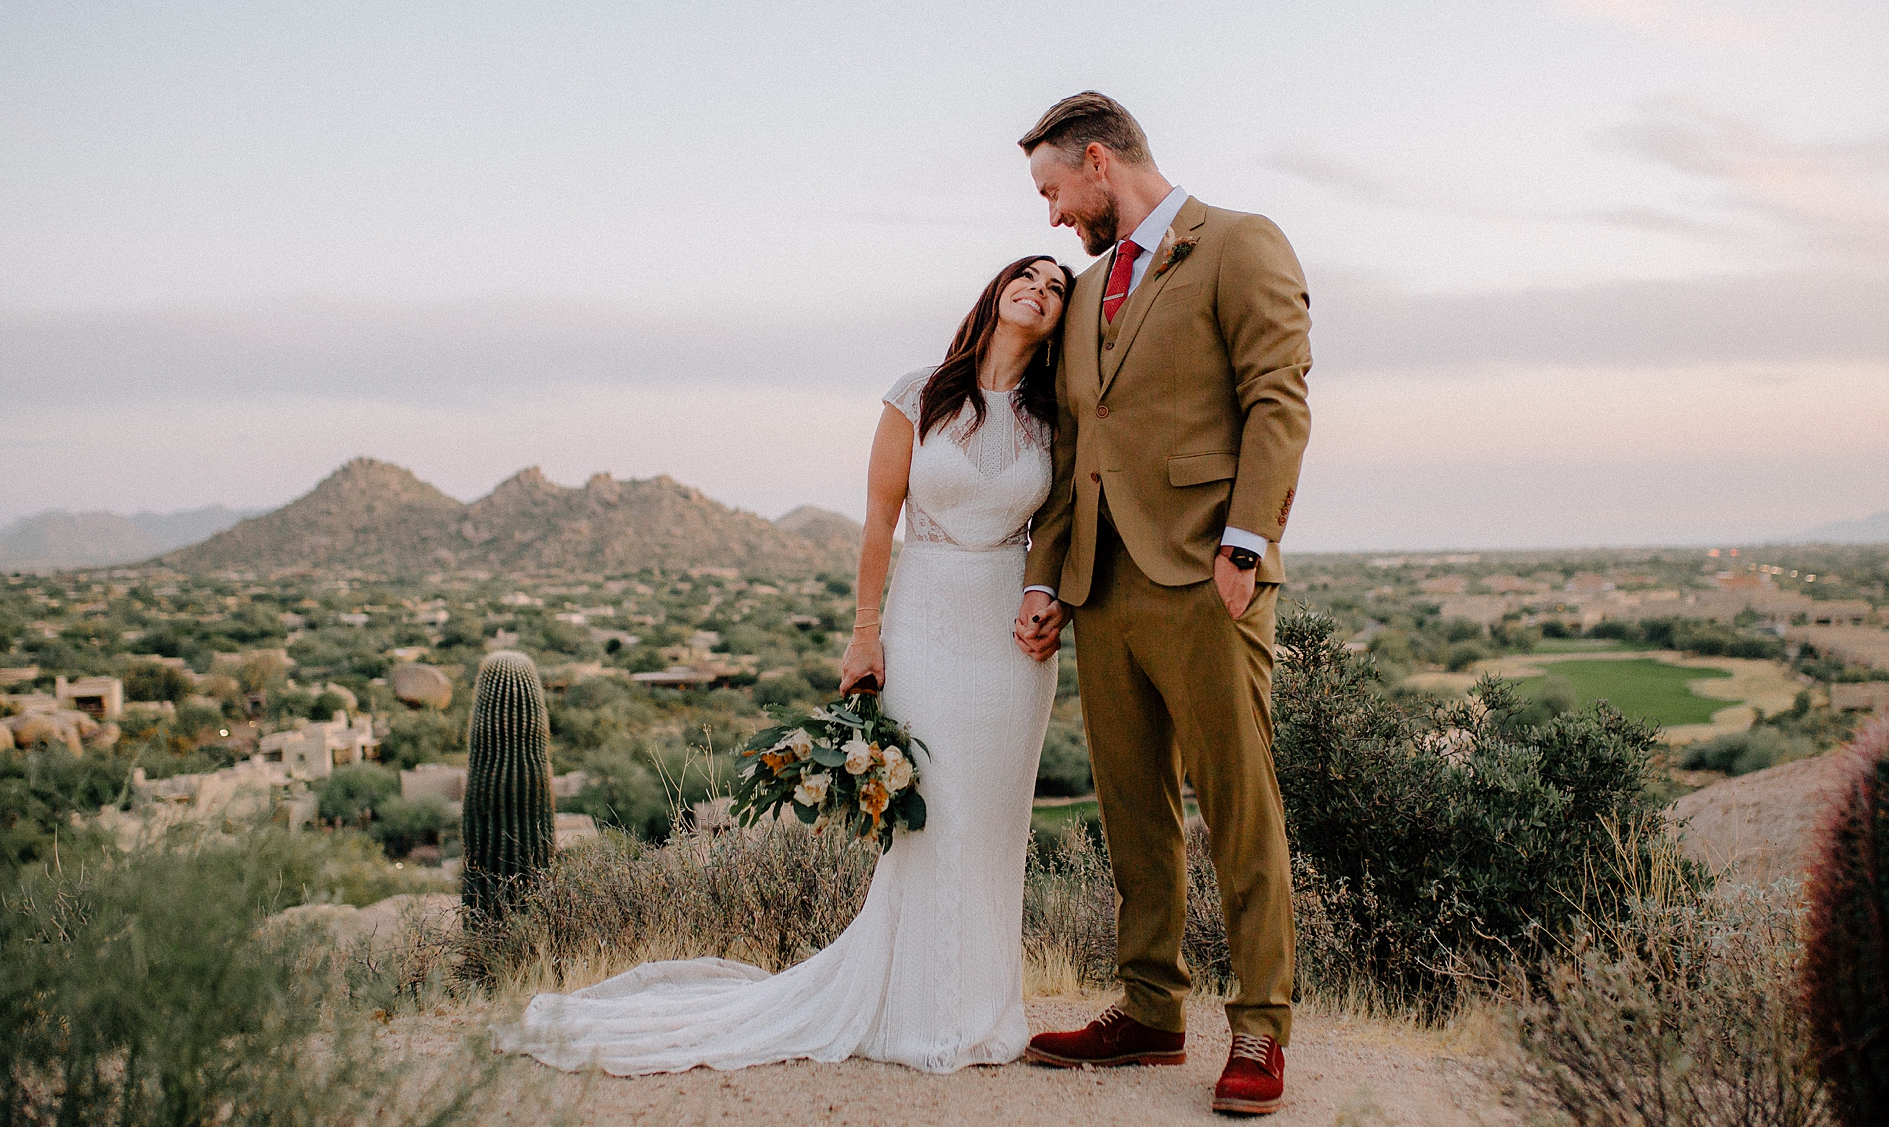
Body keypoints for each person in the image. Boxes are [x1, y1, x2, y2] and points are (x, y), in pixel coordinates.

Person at [493, 254, 1075, 1076]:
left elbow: (1066, 527)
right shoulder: (921, 393)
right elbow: (880, 519)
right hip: (926, 615)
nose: (1042, 290)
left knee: (994, 823)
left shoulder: (1056, 416)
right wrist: (864, 632)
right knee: (933, 814)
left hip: (1009, 641)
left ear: (1059, 322)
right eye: (1030, 275)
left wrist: (1055, 600)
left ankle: (985, 1013)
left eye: (1057, 289)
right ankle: (917, 1012)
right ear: (995, 292)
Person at [1011, 92, 1312, 1117]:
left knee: (1237, 807)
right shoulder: (1087, 292)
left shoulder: (1237, 243)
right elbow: (1068, 457)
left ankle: (1261, 1026)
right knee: (1131, 812)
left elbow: (1277, 392)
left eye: (1054, 190)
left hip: (1206, 579)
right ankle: (1148, 1009)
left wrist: (1245, 543)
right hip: (1104, 587)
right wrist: (1046, 579)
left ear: (1098, 163)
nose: (1052, 216)